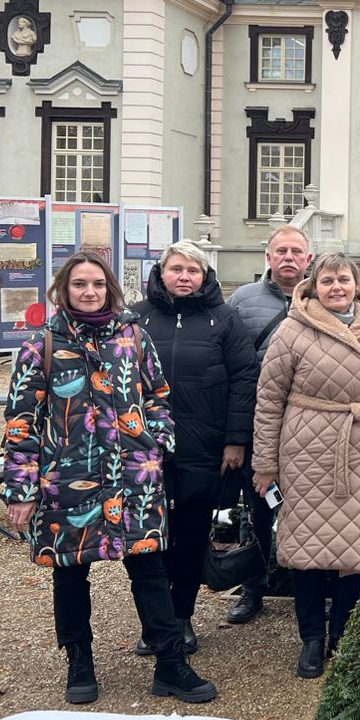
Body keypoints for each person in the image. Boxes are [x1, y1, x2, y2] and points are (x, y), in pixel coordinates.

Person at [3, 251, 216, 704]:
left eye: (98, 284)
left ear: (110, 289)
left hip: (133, 478)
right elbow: (21, 422)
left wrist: (157, 442)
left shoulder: (132, 337)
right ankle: (79, 662)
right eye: (80, 284)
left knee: (149, 569)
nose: (90, 292)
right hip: (68, 480)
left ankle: (170, 663)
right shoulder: (42, 346)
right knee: (70, 573)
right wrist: (21, 488)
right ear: (64, 290)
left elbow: (157, 393)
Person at [252, 253, 360, 679]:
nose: (336, 287)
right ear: (314, 285)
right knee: (307, 550)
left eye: (343, 279)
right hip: (305, 451)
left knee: (357, 550)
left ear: (357, 285)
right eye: (327, 280)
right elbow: (268, 400)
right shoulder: (292, 329)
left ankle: (344, 633)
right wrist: (265, 463)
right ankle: (311, 637)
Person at [130, 241, 257, 657]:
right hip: (144, 450)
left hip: (202, 446)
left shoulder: (224, 318)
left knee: (190, 536)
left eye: (193, 270)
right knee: (148, 540)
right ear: (161, 273)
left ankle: (181, 616)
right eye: (177, 269)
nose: (184, 277)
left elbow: (244, 379)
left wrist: (236, 440)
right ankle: (155, 622)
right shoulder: (136, 318)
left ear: (204, 276)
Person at [222, 225, 313, 624]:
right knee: (257, 509)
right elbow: (231, 366)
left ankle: (311, 587)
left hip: (309, 427)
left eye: (296, 251)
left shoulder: (322, 298)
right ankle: (253, 587)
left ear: (308, 259)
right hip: (260, 424)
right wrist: (236, 434)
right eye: (281, 251)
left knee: (312, 510)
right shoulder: (243, 300)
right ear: (269, 257)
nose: (288, 257)